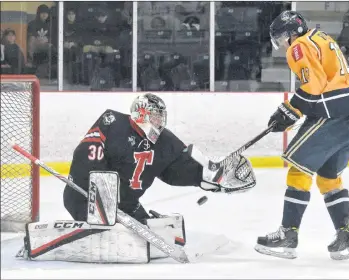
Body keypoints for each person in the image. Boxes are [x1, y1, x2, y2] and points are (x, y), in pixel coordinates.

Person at [17, 92, 256, 264]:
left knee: (147, 235)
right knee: (109, 229)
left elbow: (175, 170)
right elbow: (86, 155)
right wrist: (102, 198)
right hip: (85, 198)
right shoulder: (113, 122)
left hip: (127, 206)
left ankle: (119, 223)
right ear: (141, 114)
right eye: (155, 116)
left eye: (161, 117)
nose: (159, 122)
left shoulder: (164, 140)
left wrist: (210, 178)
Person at [254, 11, 349, 261]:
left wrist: (290, 109)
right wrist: (293, 111)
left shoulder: (299, 47)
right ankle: (345, 235)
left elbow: (313, 87)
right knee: (328, 177)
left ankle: (288, 234)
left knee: (298, 169)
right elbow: (325, 81)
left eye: (282, 37)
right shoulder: (321, 37)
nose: (282, 43)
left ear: (291, 34)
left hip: (333, 117)